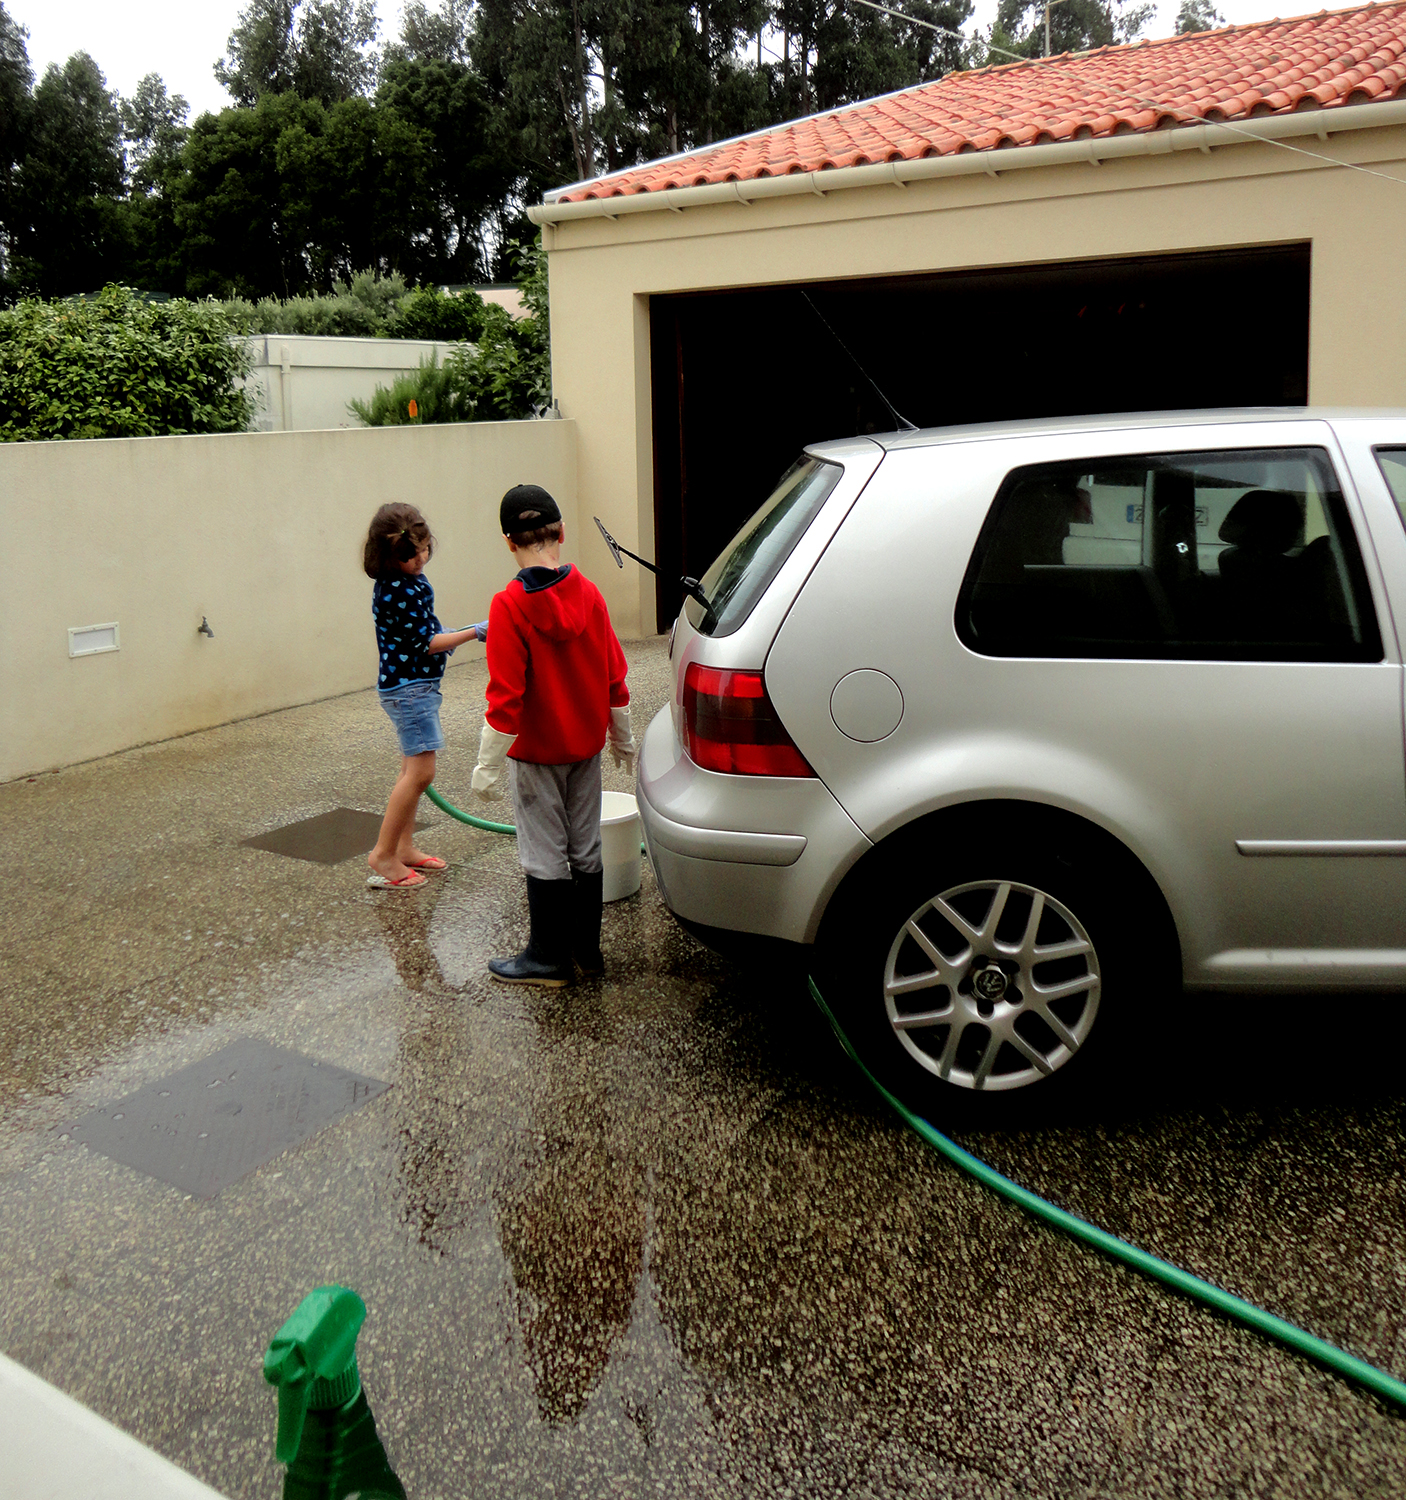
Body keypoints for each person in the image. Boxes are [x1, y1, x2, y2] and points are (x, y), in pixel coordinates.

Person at [472, 484, 634, 986]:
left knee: (543, 852)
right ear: (561, 532)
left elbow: (506, 699)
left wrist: (486, 766)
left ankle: (547, 959)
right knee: (586, 846)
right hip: (585, 750)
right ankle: (588, 951)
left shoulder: (508, 606)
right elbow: (615, 676)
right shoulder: (591, 594)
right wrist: (623, 739)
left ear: (508, 542)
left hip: (537, 756)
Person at [363, 502, 485, 889]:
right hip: (410, 690)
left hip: (413, 687)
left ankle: (403, 847)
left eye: (425, 549)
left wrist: (456, 633)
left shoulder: (407, 582)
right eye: (410, 555)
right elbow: (425, 643)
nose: (420, 559)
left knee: (410, 771)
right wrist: (474, 632)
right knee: (421, 773)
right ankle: (383, 855)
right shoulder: (398, 590)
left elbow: (424, 631)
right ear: (388, 556)